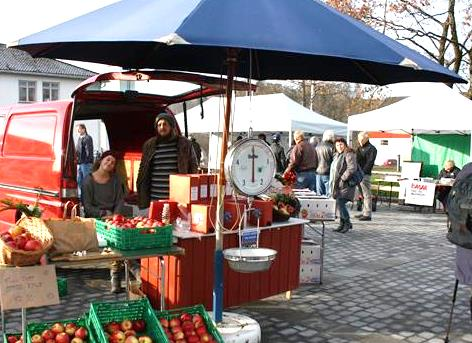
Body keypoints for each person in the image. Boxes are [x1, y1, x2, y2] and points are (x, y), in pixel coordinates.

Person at [81, 150, 139, 293]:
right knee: (116, 243)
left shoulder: (115, 180)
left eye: (113, 162)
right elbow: (87, 206)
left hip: (114, 218)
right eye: (107, 160)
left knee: (121, 240)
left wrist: (115, 216)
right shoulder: (88, 181)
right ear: (100, 161)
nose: (110, 163)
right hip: (97, 219)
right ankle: (131, 272)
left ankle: (117, 279)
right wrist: (103, 214)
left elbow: (120, 200)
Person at [137, 112, 198, 208]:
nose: (162, 127)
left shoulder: (185, 144)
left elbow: (193, 168)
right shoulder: (149, 145)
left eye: (165, 124)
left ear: (171, 126)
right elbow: (143, 169)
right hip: (155, 197)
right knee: (156, 222)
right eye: (159, 125)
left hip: (177, 198)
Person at [329, 137, 357, 233]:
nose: (339, 147)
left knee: (341, 202)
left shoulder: (349, 154)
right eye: (337, 145)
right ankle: (342, 224)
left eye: (341, 144)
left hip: (346, 184)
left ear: (345, 144)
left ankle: (347, 223)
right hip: (338, 184)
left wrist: (343, 178)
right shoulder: (337, 155)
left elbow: (352, 168)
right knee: (339, 202)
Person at [355, 131, 377, 221]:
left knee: (367, 194)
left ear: (366, 138)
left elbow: (370, 162)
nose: (360, 140)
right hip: (358, 174)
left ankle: (367, 214)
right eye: (359, 139)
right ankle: (364, 212)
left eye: (362, 139)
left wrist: (362, 173)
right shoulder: (360, 148)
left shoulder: (372, 149)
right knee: (362, 194)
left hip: (365, 174)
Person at [315, 130, 335, 196]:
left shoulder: (317, 146)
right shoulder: (332, 147)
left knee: (319, 196)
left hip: (318, 173)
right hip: (328, 173)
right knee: (328, 196)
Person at [76, 124, 94, 195]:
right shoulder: (79, 138)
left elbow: (89, 151)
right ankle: (84, 196)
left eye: (79, 129)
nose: (77, 131)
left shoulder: (87, 138)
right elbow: (77, 150)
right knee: (79, 180)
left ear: (84, 129)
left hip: (86, 163)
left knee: (86, 181)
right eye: (77, 130)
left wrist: (87, 161)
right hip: (80, 163)